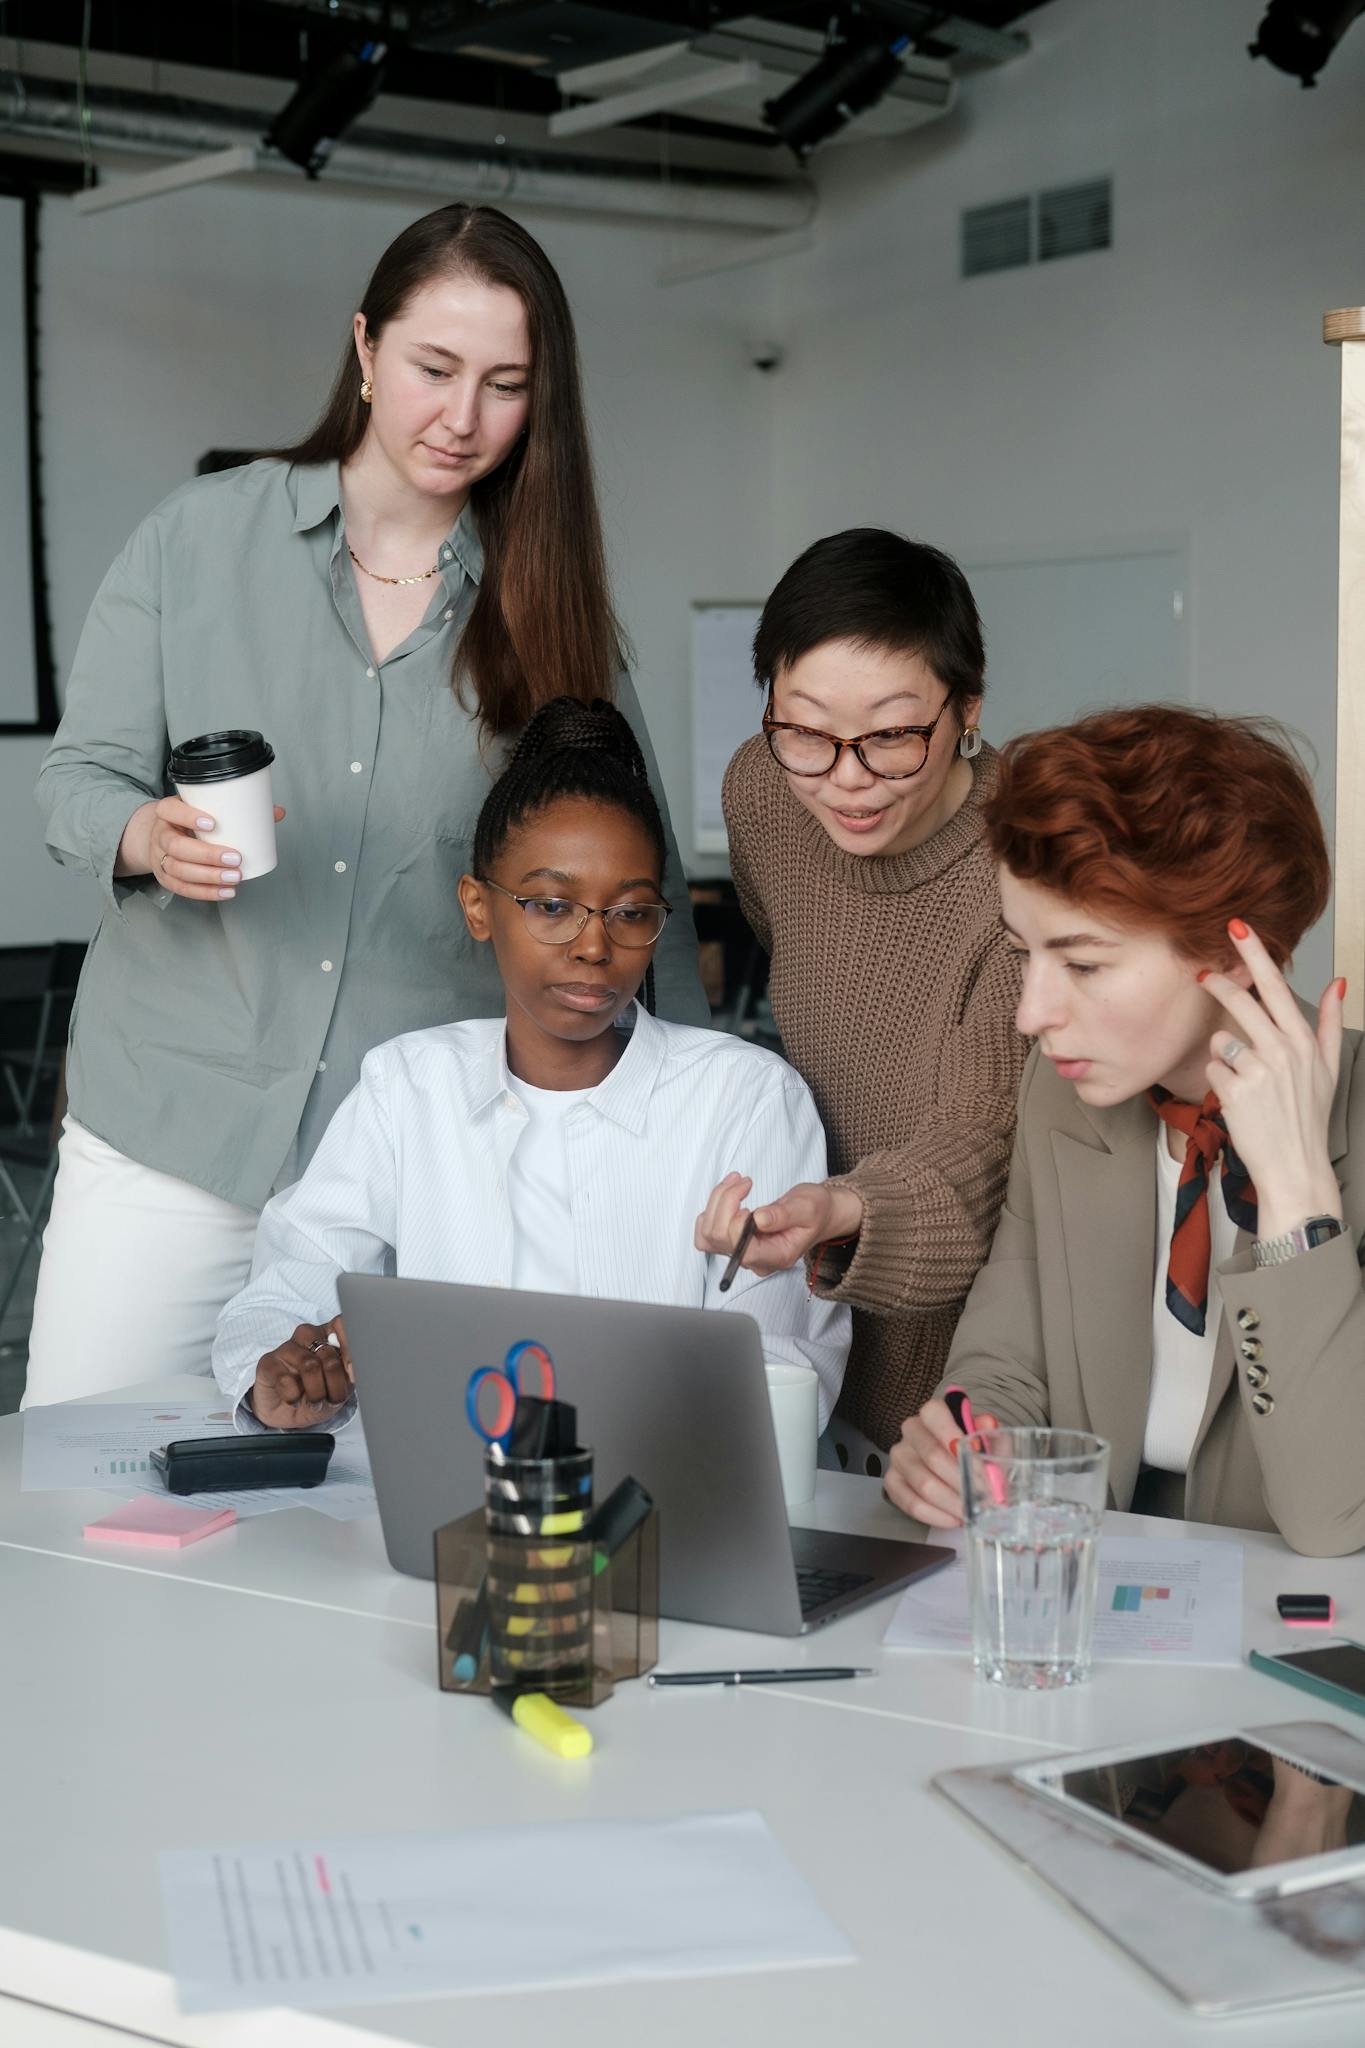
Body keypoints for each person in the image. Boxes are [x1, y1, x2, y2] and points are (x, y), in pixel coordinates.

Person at [31, 202, 706, 1406]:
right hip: (171, 1128)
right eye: (433, 369)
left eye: (505, 385)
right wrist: (143, 834)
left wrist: (706, 1119)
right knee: (81, 1495)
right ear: (363, 349)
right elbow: (76, 780)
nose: (462, 418)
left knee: (359, 1530)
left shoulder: (553, 616)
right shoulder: (198, 540)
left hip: (410, 1170)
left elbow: (639, 880)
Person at [212, 699, 847, 1432]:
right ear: (478, 908)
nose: (592, 946)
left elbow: (782, 1373)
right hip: (442, 1505)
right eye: (551, 905)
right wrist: (283, 1371)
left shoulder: (745, 1098)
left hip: (661, 1513)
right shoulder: (410, 1086)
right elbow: (282, 1286)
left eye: (631, 911)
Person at [887, 705, 1365, 1557]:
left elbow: (1335, 1518)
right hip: (1092, 1591)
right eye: (1021, 954)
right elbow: (1008, 1351)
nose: (1032, 1013)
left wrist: (1296, 1195)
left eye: (1082, 964)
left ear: (1226, 951)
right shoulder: (1064, 1095)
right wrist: (968, 1435)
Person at [695, 530, 1026, 1473]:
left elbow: (981, 1139)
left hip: (963, 1363)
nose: (843, 778)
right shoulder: (764, 793)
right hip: (805, 1324)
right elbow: (792, 949)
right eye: (803, 728)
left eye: (888, 736)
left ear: (966, 707)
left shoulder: (1019, 865)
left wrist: (843, 1206)